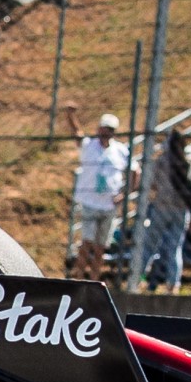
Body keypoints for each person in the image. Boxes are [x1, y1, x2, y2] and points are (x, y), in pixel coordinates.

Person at [136, 130, 191, 291]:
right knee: (174, 249)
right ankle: (173, 285)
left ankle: (135, 280)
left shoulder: (162, 162)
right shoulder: (188, 164)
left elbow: (151, 183)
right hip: (181, 211)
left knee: (149, 246)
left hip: (161, 208)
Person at [70, 113, 128, 277]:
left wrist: (124, 194)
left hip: (109, 205)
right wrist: (71, 116)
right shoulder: (90, 146)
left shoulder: (120, 151)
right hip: (90, 203)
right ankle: (79, 276)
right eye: (103, 128)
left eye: (109, 129)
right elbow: (77, 133)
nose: (105, 132)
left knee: (101, 246)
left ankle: (95, 278)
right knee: (87, 242)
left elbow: (135, 171)